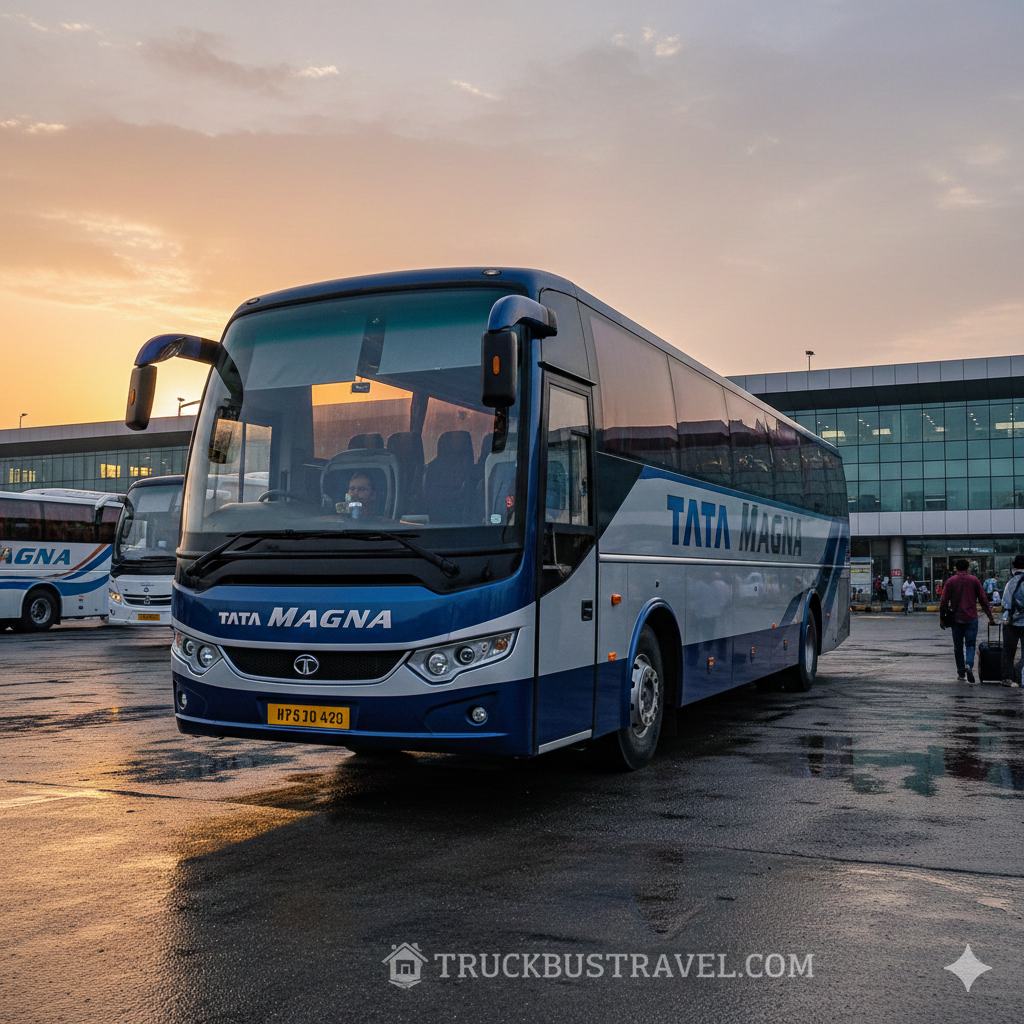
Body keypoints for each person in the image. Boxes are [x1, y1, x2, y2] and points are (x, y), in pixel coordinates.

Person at [939, 559, 995, 683]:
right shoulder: (974, 580)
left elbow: (943, 602)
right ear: (968, 568)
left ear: (955, 569)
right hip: (971, 618)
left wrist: (942, 618)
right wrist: (990, 617)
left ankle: (960, 672)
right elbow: (983, 599)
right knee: (970, 645)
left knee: (958, 647)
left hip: (956, 619)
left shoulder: (950, 581)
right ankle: (969, 665)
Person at [999, 554, 1024, 688]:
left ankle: (1007, 678)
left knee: (1008, 651)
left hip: (1011, 622)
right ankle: (1021, 676)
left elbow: (1006, 603)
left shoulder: (1011, 582)